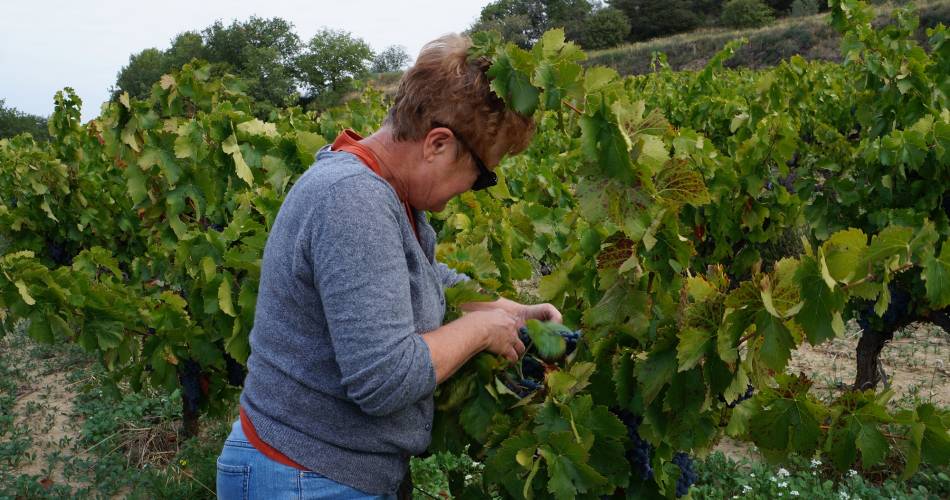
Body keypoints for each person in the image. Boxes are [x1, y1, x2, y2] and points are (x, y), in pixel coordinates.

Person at [215, 33, 562, 499]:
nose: (474, 190)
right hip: (304, 478)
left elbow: (412, 276)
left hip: (316, 471)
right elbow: (384, 378)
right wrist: (482, 331)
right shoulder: (353, 199)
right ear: (438, 144)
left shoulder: (378, 188)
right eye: (482, 176)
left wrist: (504, 309)